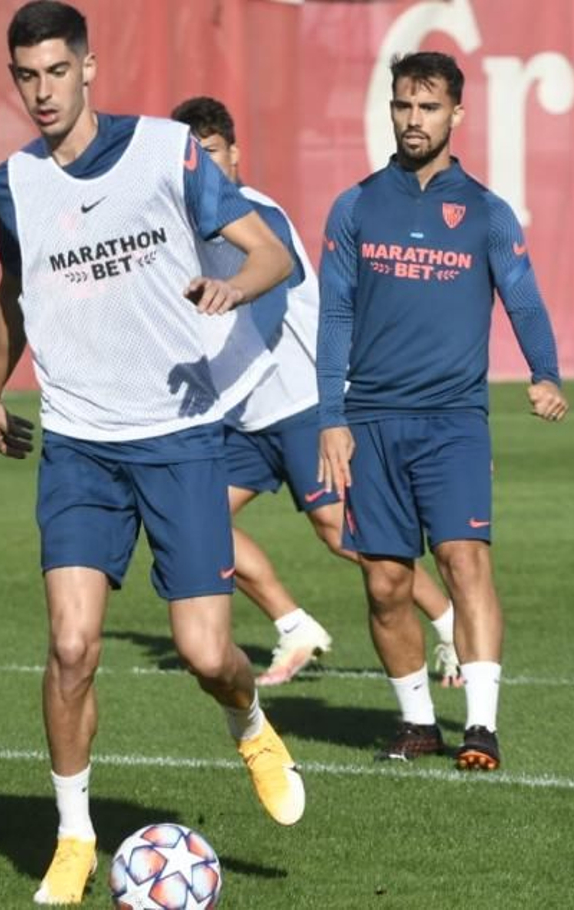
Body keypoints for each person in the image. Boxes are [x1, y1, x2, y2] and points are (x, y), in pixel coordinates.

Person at [0, 4, 305, 903]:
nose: (41, 92)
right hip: (79, 444)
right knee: (72, 645)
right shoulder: (12, 181)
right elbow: (14, 287)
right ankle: (76, 835)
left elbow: (272, 255)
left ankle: (249, 719)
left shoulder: (167, 152)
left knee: (206, 654)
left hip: (178, 436)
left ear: (89, 67)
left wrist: (229, 286)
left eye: (56, 72)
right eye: (26, 77)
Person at [316, 51, 566, 771]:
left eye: (427, 107)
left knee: (465, 560)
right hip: (370, 421)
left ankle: (481, 728)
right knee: (386, 581)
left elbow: (521, 295)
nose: (413, 119)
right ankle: (418, 723)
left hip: (455, 420)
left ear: (457, 114)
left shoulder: (486, 212)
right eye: (402, 106)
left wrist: (544, 373)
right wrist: (331, 413)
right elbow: (334, 313)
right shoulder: (357, 205)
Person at [169, 96, 461, 688]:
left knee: (344, 532)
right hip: (244, 415)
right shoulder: (182, 230)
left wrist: (232, 291)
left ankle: (452, 623)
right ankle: (294, 625)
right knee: (192, 518)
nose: (204, 167)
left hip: (302, 402)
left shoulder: (254, 211)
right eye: (191, 159)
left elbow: (275, 281)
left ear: (236, 154)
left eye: (213, 153)